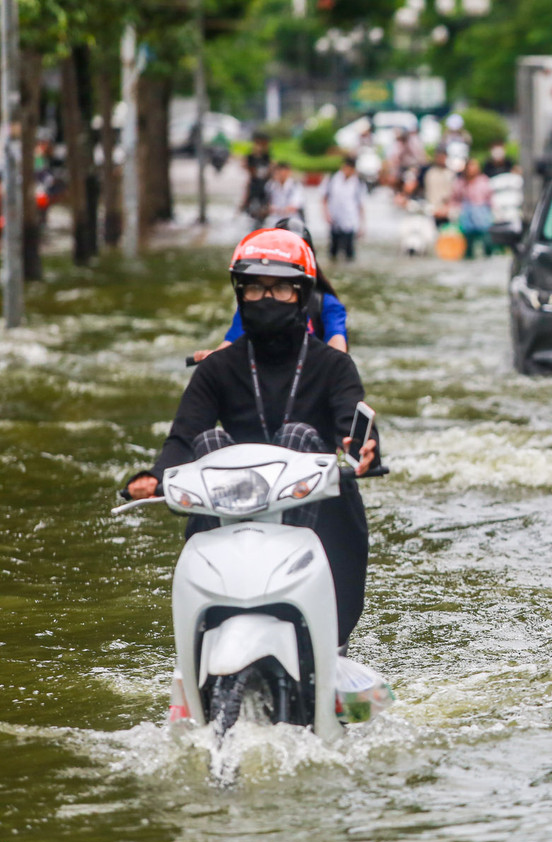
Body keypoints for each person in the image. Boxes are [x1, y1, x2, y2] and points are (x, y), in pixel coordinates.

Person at [123, 229, 381, 645]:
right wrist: (154, 476)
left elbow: (355, 428)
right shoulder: (217, 369)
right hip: (229, 519)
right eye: (255, 289)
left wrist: (361, 452)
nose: (266, 299)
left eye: (280, 288)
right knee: (211, 444)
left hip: (322, 522)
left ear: (302, 293)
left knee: (298, 435)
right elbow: (185, 437)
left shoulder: (335, 367)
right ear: (239, 293)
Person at [194, 217, 349, 363]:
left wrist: (334, 368)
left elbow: (337, 345)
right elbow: (232, 340)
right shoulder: (254, 301)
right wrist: (214, 358)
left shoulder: (326, 302)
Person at [323, 155, 367, 262]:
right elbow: (324, 198)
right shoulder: (333, 179)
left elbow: (361, 205)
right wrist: (326, 214)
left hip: (350, 221)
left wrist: (362, 225)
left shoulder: (358, 182)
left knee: (349, 252)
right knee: (333, 250)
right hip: (334, 219)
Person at [455, 158, 493, 258]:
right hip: (467, 217)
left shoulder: (484, 181)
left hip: (482, 215)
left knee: (487, 243)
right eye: (470, 166)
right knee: (468, 246)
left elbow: (490, 199)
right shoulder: (460, 183)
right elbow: (455, 199)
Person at [241, 131, 273, 224]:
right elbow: (247, 169)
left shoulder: (267, 156)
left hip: (265, 186)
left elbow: (270, 169)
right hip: (254, 185)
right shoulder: (251, 157)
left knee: (264, 207)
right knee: (250, 208)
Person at [421, 147, 457, 228]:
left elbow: (453, 194)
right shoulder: (430, 173)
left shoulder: (451, 173)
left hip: (447, 211)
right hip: (432, 211)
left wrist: (445, 208)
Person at [264, 161, 305, 225]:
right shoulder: (271, 185)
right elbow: (268, 202)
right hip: (275, 218)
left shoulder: (295, 185)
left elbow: (295, 205)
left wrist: (281, 210)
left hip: (291, 218)